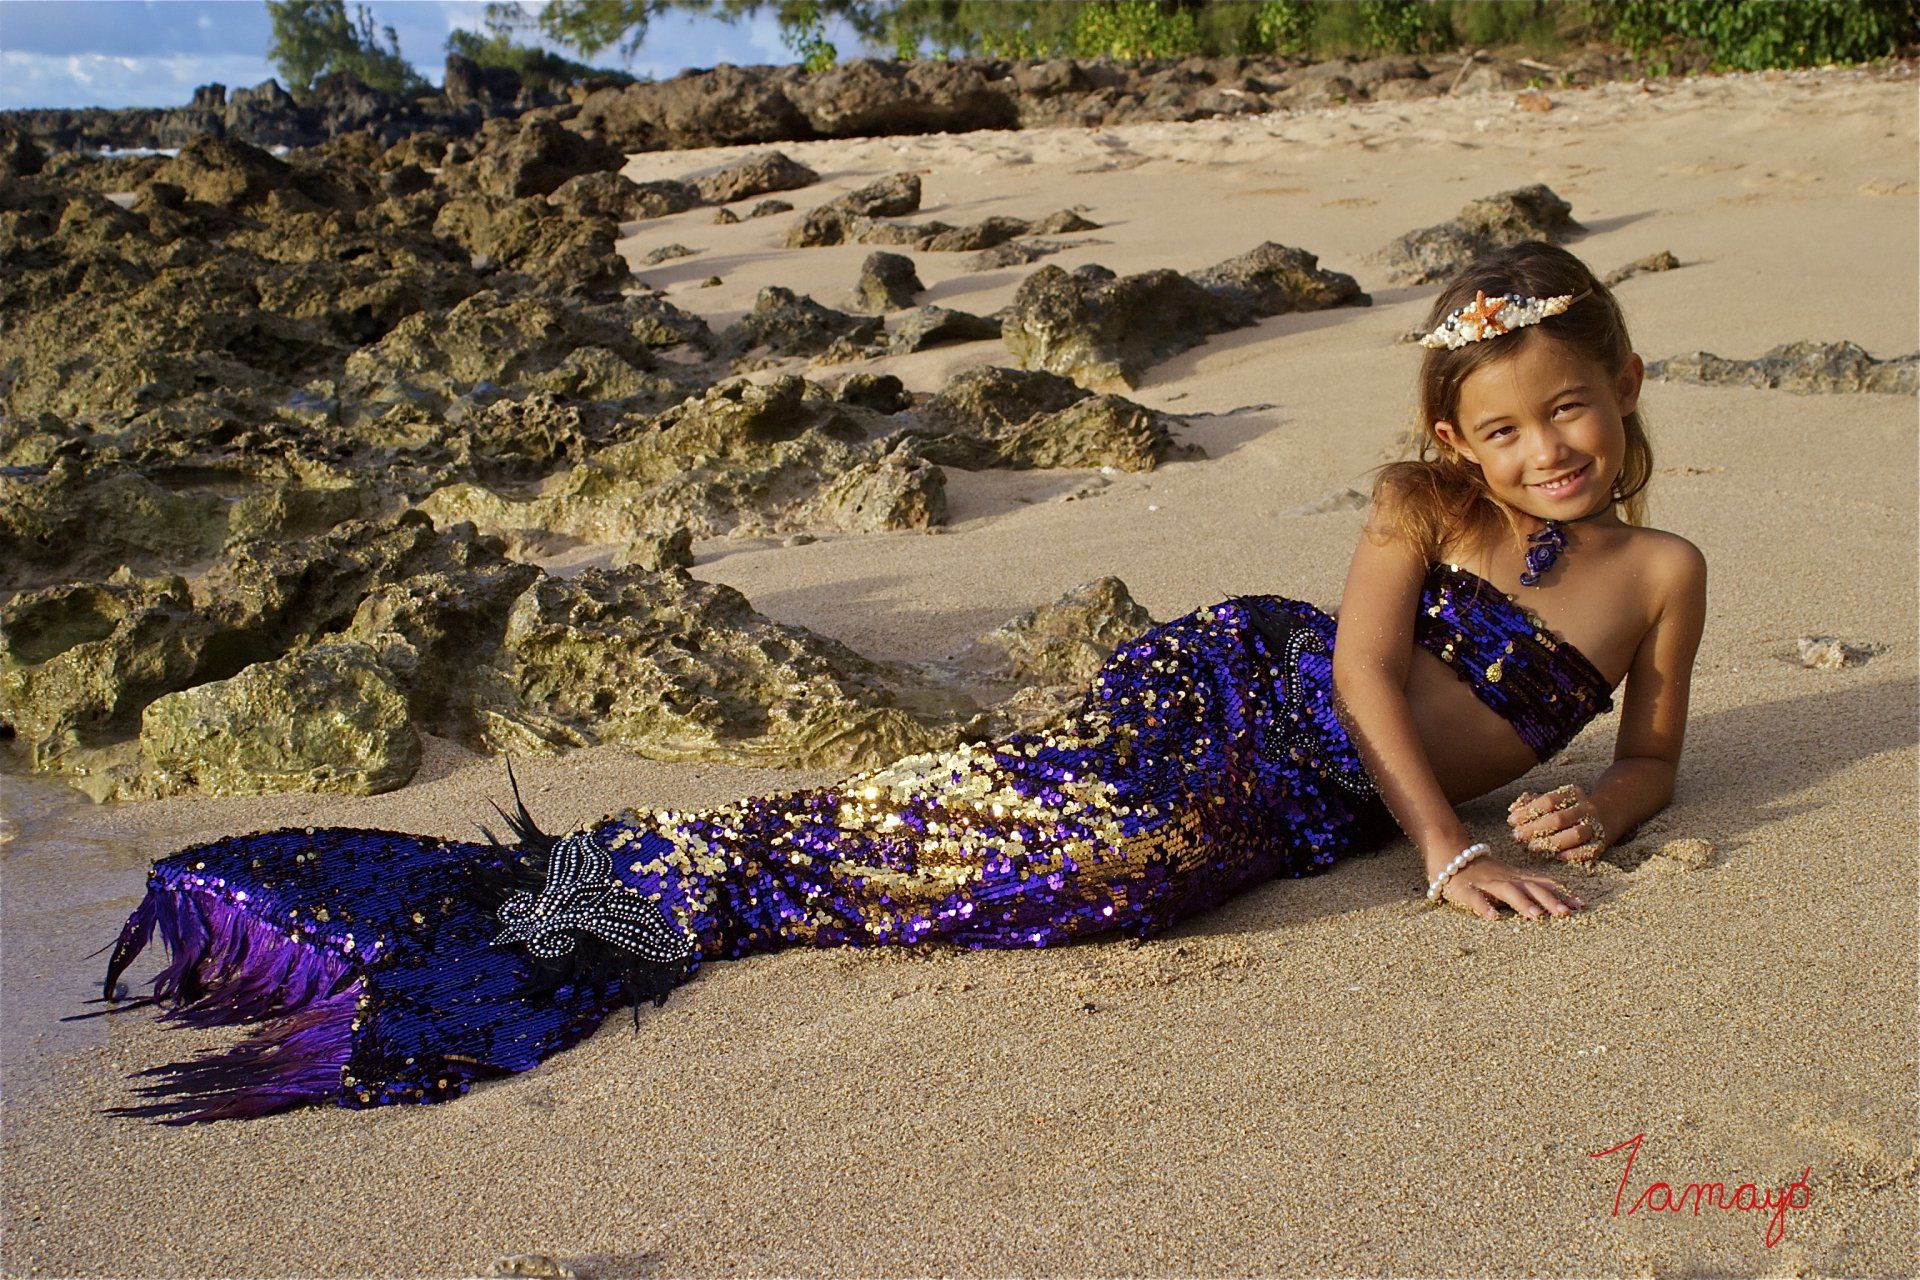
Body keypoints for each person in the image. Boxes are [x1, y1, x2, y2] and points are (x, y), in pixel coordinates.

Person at [83, 240, 1706, 1123]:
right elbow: (1360, 670)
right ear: (1453, 442)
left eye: (1568, 409)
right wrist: (1450, 846)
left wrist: (1607, 805)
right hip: (1254, 697)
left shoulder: (1664, 577)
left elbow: (1653, 758)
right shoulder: (1422, 508)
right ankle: (629, 876)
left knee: (1095, 880)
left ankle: (674, 875)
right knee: (1068, 850)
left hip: (1332, 810)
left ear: (1623, 386)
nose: (1543, 449)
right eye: (1502, 426)